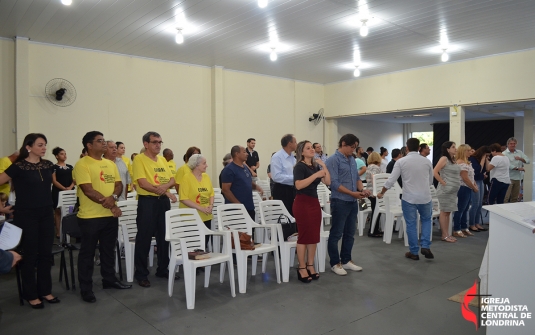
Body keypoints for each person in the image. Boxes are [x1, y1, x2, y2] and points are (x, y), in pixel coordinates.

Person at [0, 133, 59, 308]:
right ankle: (31, 294)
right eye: (40, 145)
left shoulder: (48, 165)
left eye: (45, 145)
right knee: (30, 255)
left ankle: (45, 291)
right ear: (29, 147)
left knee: (46, 254)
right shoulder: (18, 166)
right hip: (26, 215)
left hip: (46, 213)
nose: (44, 148)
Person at [74, 131, 132, 303]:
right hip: (90, 217)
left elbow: (118, 184)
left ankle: (109, 280)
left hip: (109, 216)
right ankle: (86, 288)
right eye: (100, 141)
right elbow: (87, 189)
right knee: (88, 254)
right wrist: (112, 204)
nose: (104, 143)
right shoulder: (82, 164)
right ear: (89, 145)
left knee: (108, 250)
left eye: (104, 140)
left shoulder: (109, 163)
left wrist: (113, 199)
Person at [132, 132, 177, 288]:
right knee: (144, 238)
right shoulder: (139, 159)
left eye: (160, 142)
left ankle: (163, 269)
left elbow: (172, 179)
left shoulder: (163, 159)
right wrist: (164, 190)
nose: (158, 145)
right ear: (146, 144)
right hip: (148, 202)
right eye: (154, 142)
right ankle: (141, 274)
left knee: (164, 237)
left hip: (163, 202)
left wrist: (164, 189)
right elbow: (142, 183)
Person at [377, 138, 434, 261]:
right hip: (425, 197)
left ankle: (414, 252)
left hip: (409, 198)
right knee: (426, 221)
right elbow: (430, 181)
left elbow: (391, 180)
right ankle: (425, 246)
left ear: (407, 148)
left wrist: (382, 192)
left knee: (411, 224)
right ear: (419, 148)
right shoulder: (427, 162)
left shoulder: (401, 162)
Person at [326, 134, 370, 276]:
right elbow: (334, 183)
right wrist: (353, 194)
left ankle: (346, 260)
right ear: (343, 144)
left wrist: (362, 190)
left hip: (352, 201)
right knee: (336, 233)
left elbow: (357, 178)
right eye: (352, 147)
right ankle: (334, 262)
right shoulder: (333, 160)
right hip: (340, 201)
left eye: (355, 148)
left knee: (350, 233)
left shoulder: (352, 160)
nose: (353, 150)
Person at [293, 140, 330, 283]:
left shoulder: (315, 166)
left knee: (314, 235)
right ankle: (301, 266)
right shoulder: (299, 167)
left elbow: (328, 182)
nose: (312, 150)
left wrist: (324, 167)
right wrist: (315, 175)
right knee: (304, 236)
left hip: (314, 203)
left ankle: (310, 264)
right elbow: (299, 185)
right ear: (301, 152)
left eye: (312, 148)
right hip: (302, 203)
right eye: (308, 148)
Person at [179, 154, 214, 248]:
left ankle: (202, 261)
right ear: (196, 165)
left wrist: (211, 205)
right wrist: (201, 208)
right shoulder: (186, 178)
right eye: (204, 163)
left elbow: (211, 194)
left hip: (206, 216)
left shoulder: (206, 177)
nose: (206, 165)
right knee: (193, 245)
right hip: (191, 218)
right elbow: (183, 198)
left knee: (204, 243)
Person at [221, 146, 263, 220]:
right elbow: (225, 190)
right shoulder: (229, 170)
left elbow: (247, 181)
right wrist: (238, 205)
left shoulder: (245, 167)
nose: (247, 154)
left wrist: (256, 187)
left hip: (248, 206)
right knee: (238, 231)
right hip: (235, 209)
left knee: (250, 231)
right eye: (244, 152)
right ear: (237, 154)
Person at [433, 141, 460, 243]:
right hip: (445, 191)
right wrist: (443, 182)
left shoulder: (453, 160)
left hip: (452, 191)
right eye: (453, 147)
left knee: (448, 212)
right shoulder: (444, 159)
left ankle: (447, 233)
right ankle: (444, 235)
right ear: (448, 149)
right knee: (444, 212)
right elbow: (435, 171)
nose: (455, 149)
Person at [452, 144, 479, 238]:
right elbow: (465, 178)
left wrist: (474, 184)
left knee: (465, 208)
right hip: (463, 187)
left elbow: (471, 177)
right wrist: (474, 187)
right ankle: (457, 229)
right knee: (460, 209)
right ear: (464, 151)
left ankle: (464, 227)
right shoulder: (461, 163)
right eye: (469, 150)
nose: (471, 152)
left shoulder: (467, 162)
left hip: (468, 187)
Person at [51, 147, 74, 238]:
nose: (64, 155)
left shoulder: (70, 167)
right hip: (58, 191)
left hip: (70, 191)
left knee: (70, 210)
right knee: (58, 211)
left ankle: (70, 230)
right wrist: (64, 188)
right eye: (62, 154)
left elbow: (74, 179)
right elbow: (54, 181)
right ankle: (58, 231)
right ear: (56, 156)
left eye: (65, 154)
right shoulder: (54, 167)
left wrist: (70, 188)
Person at [271, 134, 297, 215]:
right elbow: (276, 176)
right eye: (295, 142)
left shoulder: (293, 157)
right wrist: (295, 178)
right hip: (282, 190)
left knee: (294, 215)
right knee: (285, 217)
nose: (297, 144)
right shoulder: (277, 157)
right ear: (290, 144)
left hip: (293, 189)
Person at [468, 146, 490, 232]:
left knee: (480, 204)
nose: (487, 156)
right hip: (475, 181)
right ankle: (472, 224)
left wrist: (486, 159)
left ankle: (477, 223)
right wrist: (483, 159)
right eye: (487, 155)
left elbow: (487, 169)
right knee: (475, 203)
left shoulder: (484, 159)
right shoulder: (473, 159)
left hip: (481, 181)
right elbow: (478, 170)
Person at [503, 137, 530, 203]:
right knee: (506, 197)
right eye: (511, 144)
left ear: (516, 144)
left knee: (515, 198)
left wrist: (520, 159)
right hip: (508, 178)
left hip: (518, 178)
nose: (513, 145)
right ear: (508, 144)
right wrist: (518, 168)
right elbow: (507, 165)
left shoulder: (519, 152)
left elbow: (528, 161)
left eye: (514, 143)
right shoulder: (504, 153)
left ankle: (513, 211)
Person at [365, 152, 384, 238]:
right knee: (377, 212)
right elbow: (374, 178)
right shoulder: (376, 167)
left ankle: (373, 229)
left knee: (374, 211)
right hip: (374, 192)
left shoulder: (369, 167)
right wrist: (377, 190)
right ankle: (373, 230)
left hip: (369, 191)